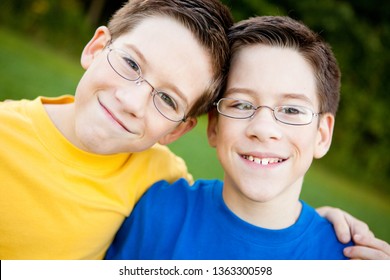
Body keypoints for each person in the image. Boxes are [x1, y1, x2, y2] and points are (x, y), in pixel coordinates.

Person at [105, 15, 390, 260]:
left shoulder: (352, 260)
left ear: (323, 135)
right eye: (242, 104)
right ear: (214, 126)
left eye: (291, 109)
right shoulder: (157, 212)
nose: (263, 128)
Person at [0, 0, 233, 259]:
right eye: (132, 64)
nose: (132, 102)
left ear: (176, 131)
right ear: (96, 48)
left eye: (167, 100)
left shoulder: (161, 176)